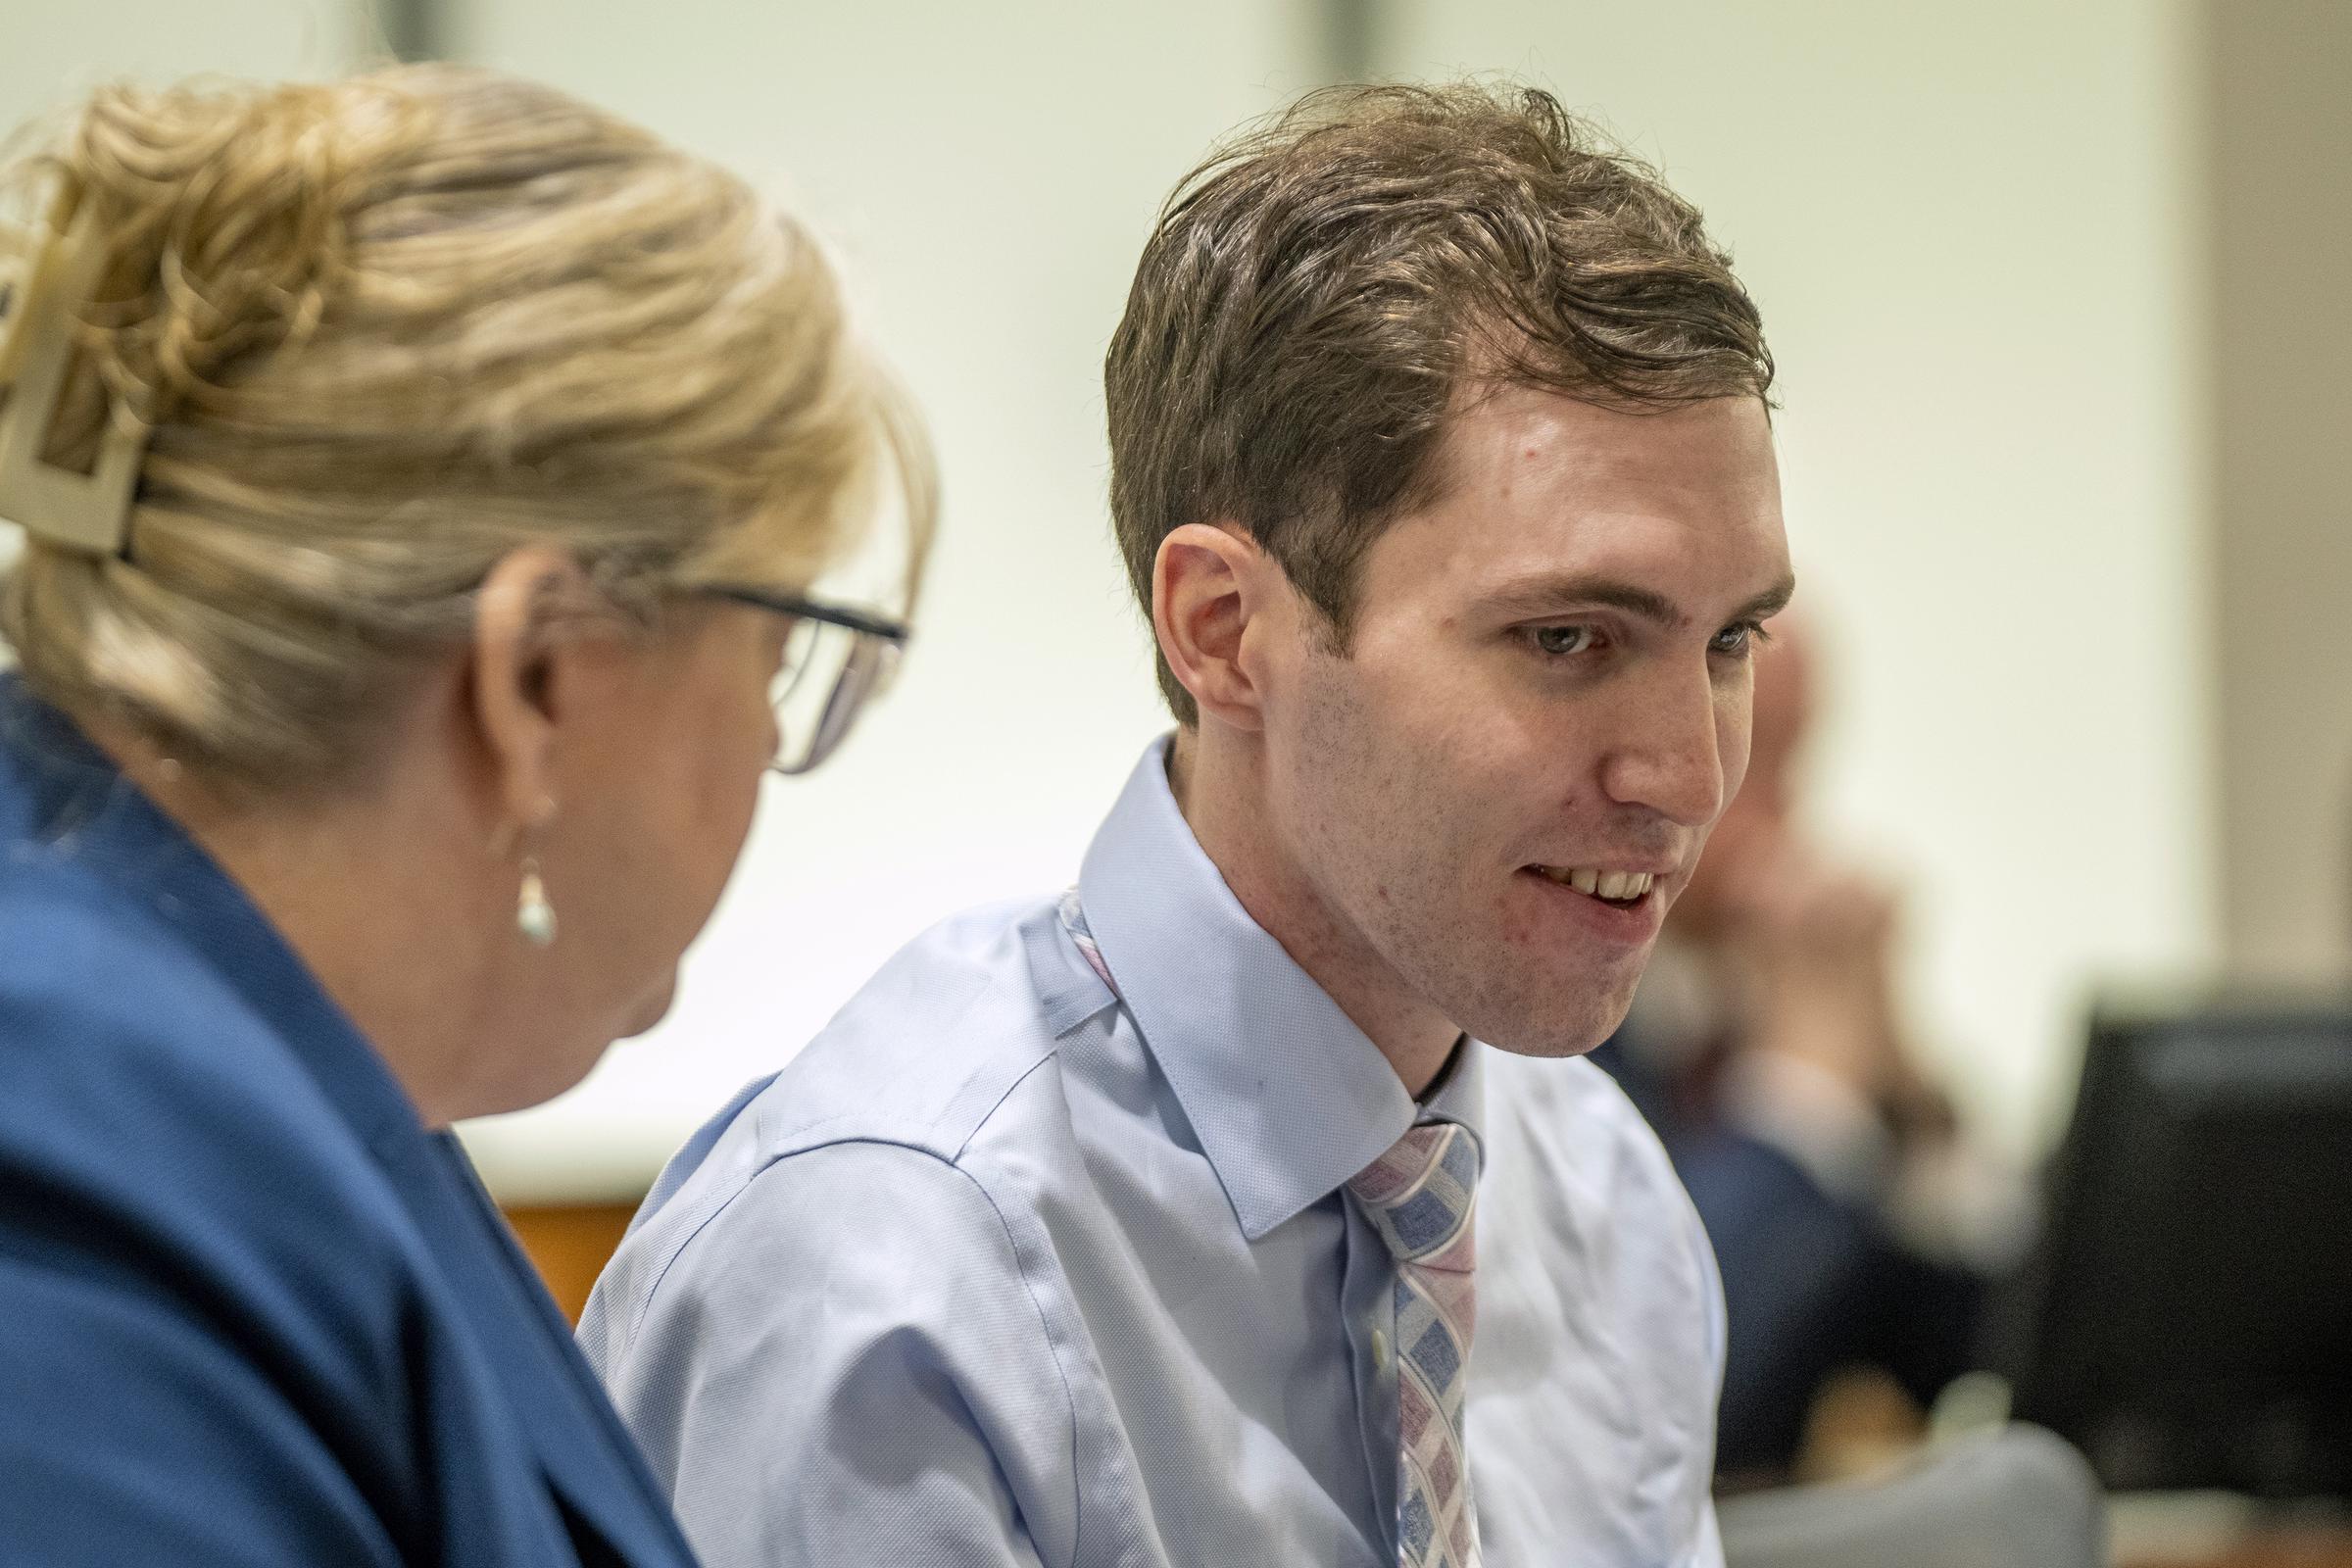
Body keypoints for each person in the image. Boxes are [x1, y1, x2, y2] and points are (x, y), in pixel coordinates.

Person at [585, 82, 1789, 1567]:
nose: (1684, 774)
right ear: (1226, 631)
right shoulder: (882, 1271)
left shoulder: (1598, 1200)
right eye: (1566, 641)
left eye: (1731, 642)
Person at [0, 65, 929, 1567]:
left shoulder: (228, 1059)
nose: (769, 737)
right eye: (775, 656)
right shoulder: (67, 1189)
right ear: (537, 679)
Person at [1592, 617, 2012, 1484]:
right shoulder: (1551, 1032)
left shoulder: (1762, 1000)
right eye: (1743, 756)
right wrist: (1804, 1096)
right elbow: (1676, 1402)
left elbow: (1975, 1359)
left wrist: (1905, 1102)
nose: (1778, 812)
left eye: (1786, 759)